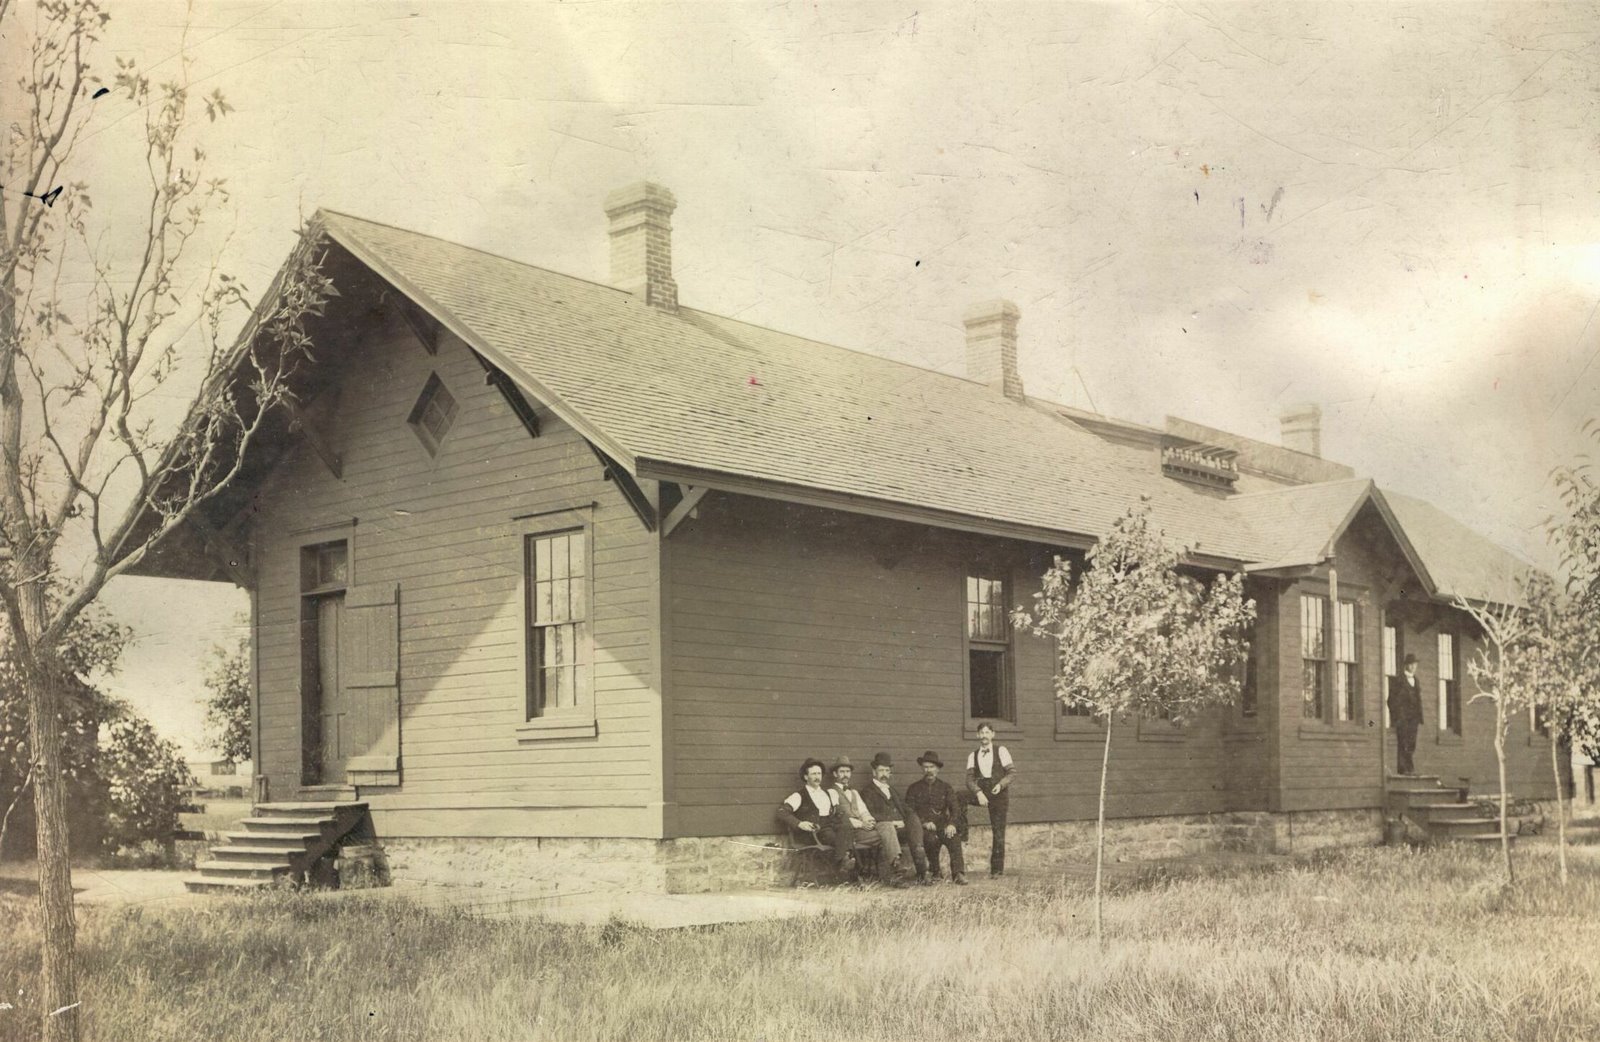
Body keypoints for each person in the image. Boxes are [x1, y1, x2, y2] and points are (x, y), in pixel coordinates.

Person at [830, 756, 906, 887]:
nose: (845, 775)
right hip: (848, 833)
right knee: (886, 835)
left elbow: (864, 811)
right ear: (835, 774)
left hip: (862, 832)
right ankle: (893, 871)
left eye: (847, 772)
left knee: (887, 826)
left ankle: (895, 865)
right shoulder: (831, 792)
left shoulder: (854, 792)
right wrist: (861, 824)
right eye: (841, 772)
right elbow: (837, 816)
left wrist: (869, 820)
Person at [857, 751, 930, 885]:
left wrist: (912, 818)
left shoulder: (891, 790)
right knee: (892, 828)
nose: (884, 774)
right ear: (874, 772)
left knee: (913, 819)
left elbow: (904, 807)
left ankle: (922, 871)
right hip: (882, 829)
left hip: (898, 829)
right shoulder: (867, 791)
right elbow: (871, 813)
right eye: (881, 770)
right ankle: (896, 873)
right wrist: (893, 821)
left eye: (887, 770)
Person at [776, 758, 854, 872]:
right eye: (813, 774)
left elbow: (838, 813)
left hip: (830, 826)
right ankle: (842, 863)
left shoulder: (829, 793)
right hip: (814, 831)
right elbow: (782, 812)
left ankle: (843, 861)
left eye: (819, 773)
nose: (817, 777)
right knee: (836, 836)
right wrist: (799, 823)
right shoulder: (799, 796)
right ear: (806, 777)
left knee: (846, 827)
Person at [905, 750, 967, 884]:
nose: (929, 770)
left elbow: (955, 808)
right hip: (924, 827)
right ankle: (935, 871)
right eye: (926, 767)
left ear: (938, 769)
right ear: (922, 768)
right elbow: (909, 810)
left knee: (954, 838)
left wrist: (952, 824)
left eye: (932, 767)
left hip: (943, 825)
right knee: (930, 839)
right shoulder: (914, 788)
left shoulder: (945, 787)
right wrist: (923, 823)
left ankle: (958, 873)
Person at [965, 722, 1016, 877]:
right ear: (977, 735)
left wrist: (1000, 785)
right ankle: (961, 830)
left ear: (993, 734)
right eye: (981, 732)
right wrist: (978, 792)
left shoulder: (1001, 750)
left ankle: (997, 870)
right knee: (958, 796)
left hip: (998, 792)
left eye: (987, 732)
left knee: (998, 831)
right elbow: (969, 779)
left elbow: (1012, 773)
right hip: (982, 790)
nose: (984, 735)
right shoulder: (973, 755)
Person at [1388, 652, 1424, 775]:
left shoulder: (1416, 681)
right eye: (1411, 664)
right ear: (1406, 665)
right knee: (1403, 742)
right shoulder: (1398, 680)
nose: (1414, 667)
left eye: (1415, 664)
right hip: (1402, 719)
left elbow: (1418, 699)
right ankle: (1403, 769)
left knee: (1411, 742)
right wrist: (1397, 717)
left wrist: (1419, 716)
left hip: (1414, 718)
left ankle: (1409, 768)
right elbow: (1390, 700)